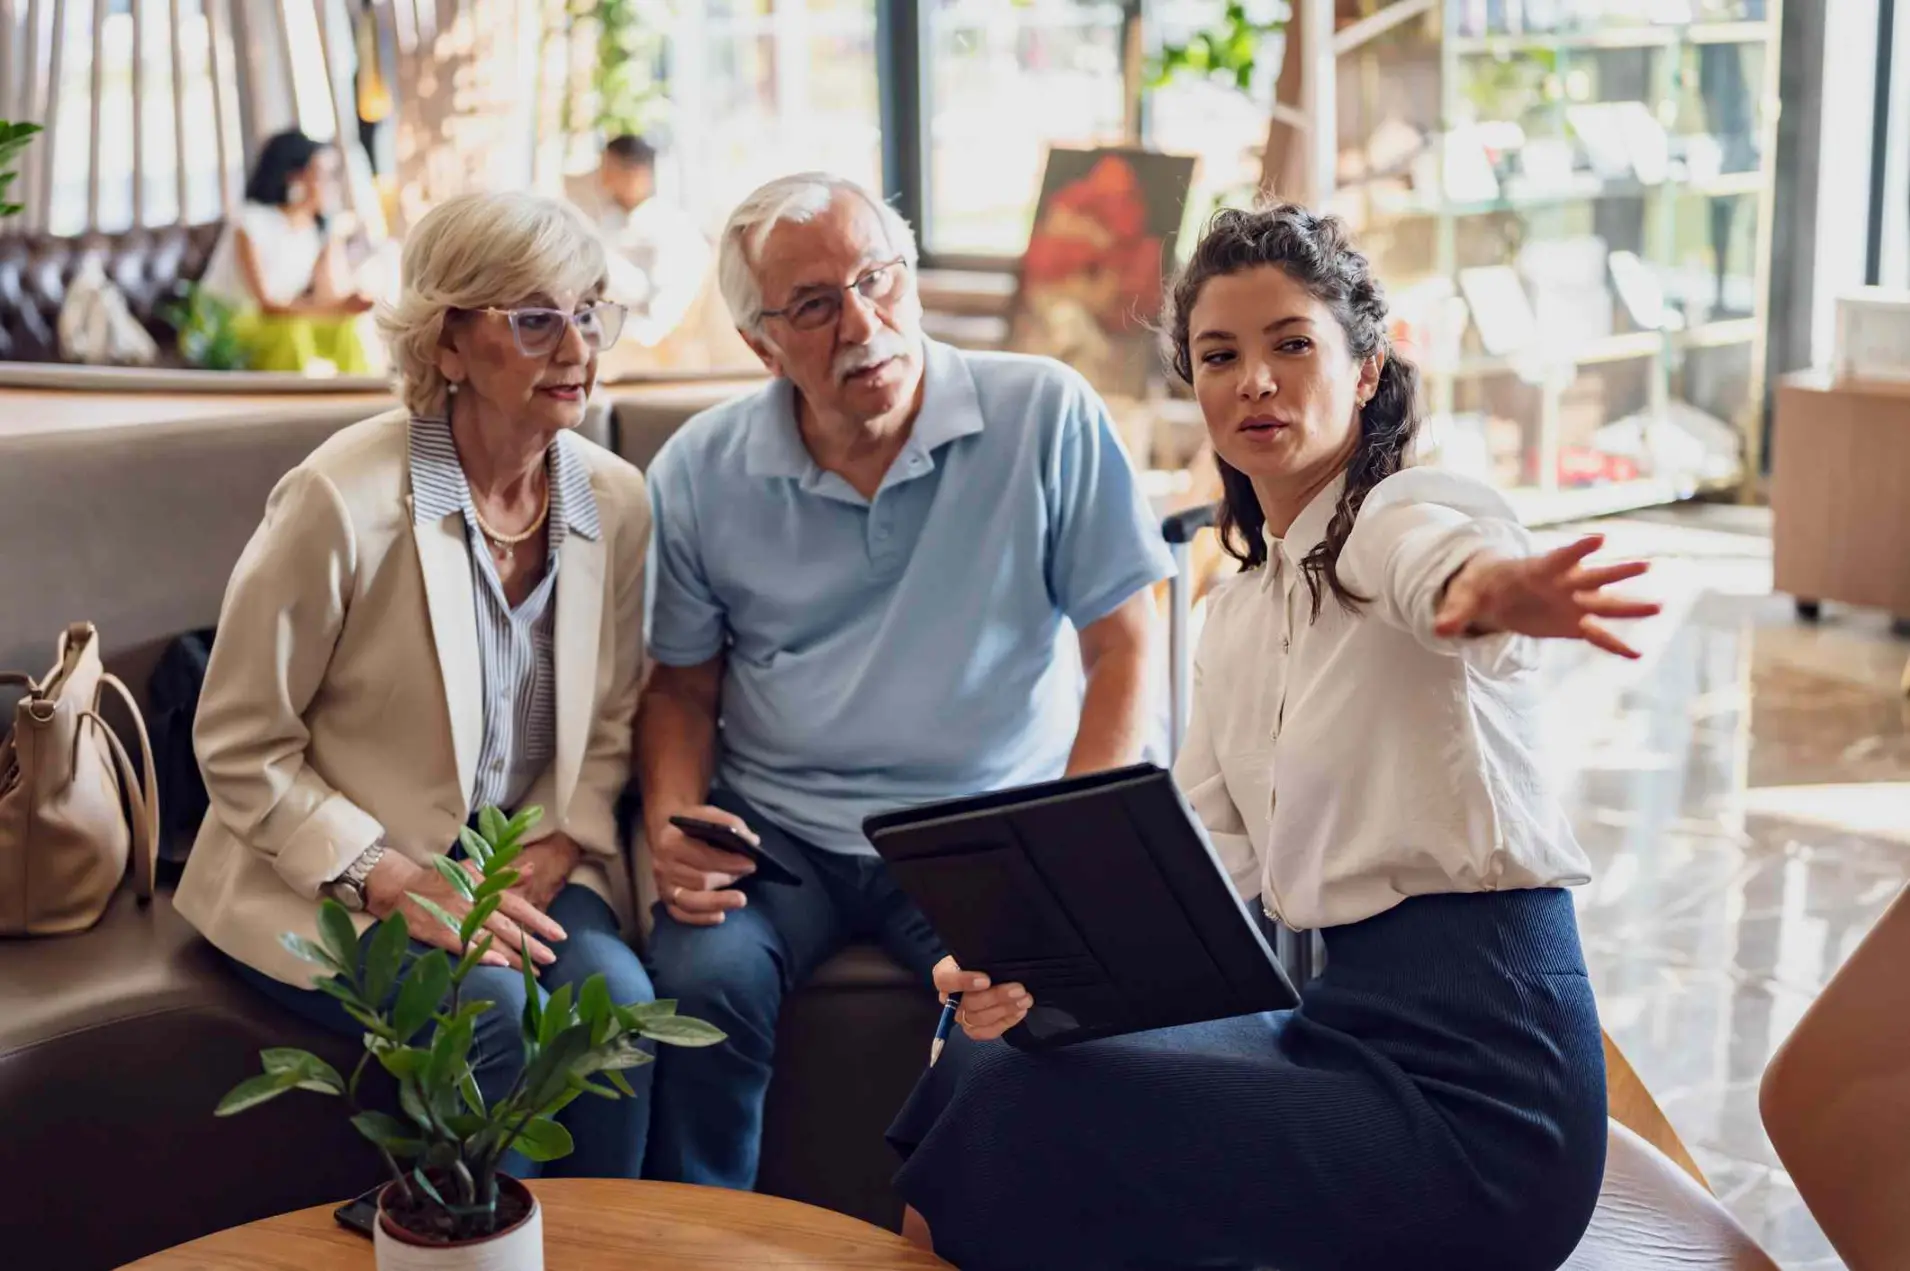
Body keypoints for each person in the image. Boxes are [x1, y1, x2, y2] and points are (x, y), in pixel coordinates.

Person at [886, 204, 1664, 1271]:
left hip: (1486, 1096)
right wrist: (1027, 965)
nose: (1253, 379)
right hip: (1335, 1029)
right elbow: (1197, 858)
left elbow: (1438, 565)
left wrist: (1499, 589)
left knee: (1029, 1109)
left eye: (1290, 344)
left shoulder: (1401, 512)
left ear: (1364, 368)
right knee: (997, 1053)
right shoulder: (1239, 611)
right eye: (1220, 354)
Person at [635, 171, 1176, 1190]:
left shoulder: (1043, 411)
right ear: (760, 345)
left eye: (877, 279)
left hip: (980, 821)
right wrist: (674, 823)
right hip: (779, 830)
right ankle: (701, 1250)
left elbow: (1124, 642)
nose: (861, 321)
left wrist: (1061, 838)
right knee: (699, 983)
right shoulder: (700, 470)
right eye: (812, 305)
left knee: (1018, 1009)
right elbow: (677, 688)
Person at [175, 191, 659, 1178]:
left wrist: (560, 839)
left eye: (587, 311)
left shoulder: (615, 498)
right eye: (534, 319)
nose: (574, 346)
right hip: (332, 871)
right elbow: (240, 743)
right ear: (445, 342)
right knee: (490, 1009)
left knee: (613, 1006)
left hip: (519, 863)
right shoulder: (338, 498)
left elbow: (613, 713)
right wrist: (392, 877)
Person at [195, 129, 375, 374]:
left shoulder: (314, 231)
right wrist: (334, 308)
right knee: (292, 331)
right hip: (231, 324)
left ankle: (360, 403)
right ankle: (298, 409)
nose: (330, 185)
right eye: (321, 175)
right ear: (294, 178)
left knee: (347, 327)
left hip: (280, 319)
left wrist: (332, 237)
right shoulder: (250, 222)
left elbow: (329, 296)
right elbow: (266, 304)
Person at [567, 133, 710, 350]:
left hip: (643, 345)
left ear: (638, 174)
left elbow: (658, 318)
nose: (602, 178)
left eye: (609, 169)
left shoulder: (674, 230)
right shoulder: (606, 219)